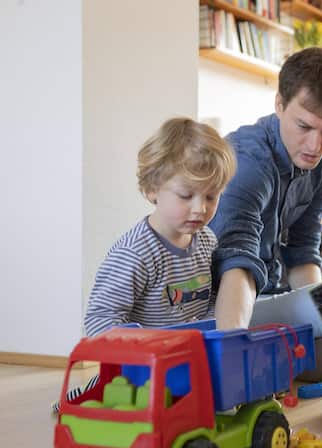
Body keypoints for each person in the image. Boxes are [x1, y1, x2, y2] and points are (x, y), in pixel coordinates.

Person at [207, 47, 322, 380]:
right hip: (222, 310)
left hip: (273, 299)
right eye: (304, 126)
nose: (315, 145)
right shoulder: (248, 163)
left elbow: (302, 249)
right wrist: (231, 357)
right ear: (279, 104)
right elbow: (236, 263)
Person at [54, 117, 236, 411]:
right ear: (153, 189)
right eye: (186, 195)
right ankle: (87, 395)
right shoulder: (134, 252)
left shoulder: (207, 242)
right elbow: (99, 319)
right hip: (141, 370)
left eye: (211, 196)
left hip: (187, 364)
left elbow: (217, 301)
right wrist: (141, 349)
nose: (200, 208)